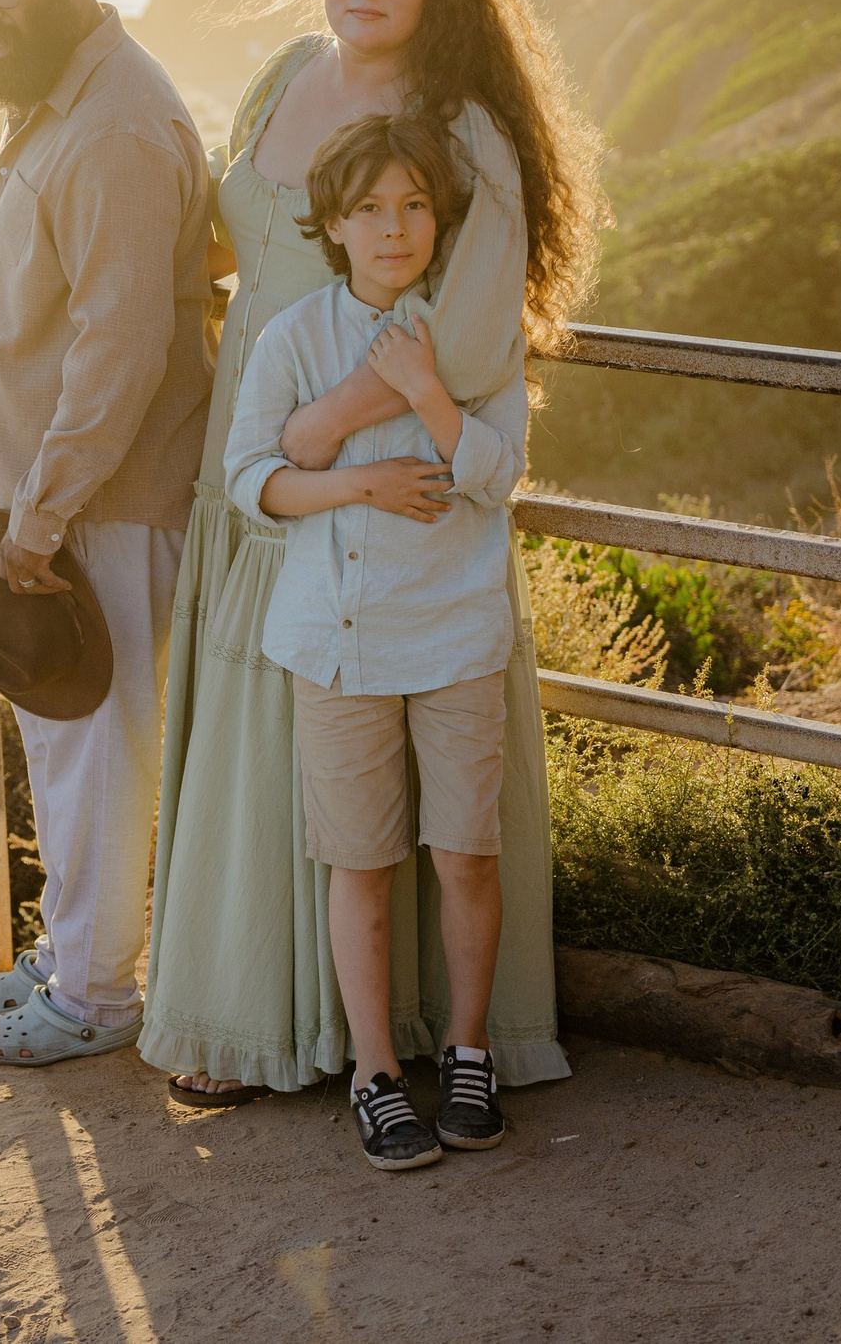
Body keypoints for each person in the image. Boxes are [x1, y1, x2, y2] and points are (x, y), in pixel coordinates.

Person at [140, 0, 602, 1106]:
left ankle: (406, 1049)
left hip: (373, 482)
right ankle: (243, 1020)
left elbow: (468, 331)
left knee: (386, 767)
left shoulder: (463, 130)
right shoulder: (284, 76)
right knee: (263, 746)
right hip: (257, 463)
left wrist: (323, 423)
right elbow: (228, 249)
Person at [0, 0, 215, 1066]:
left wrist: (40, 518)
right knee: (64, 734)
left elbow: (121, 347)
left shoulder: (113, 126)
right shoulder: (65, 100)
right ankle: (73, 953)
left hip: (98, 506)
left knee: (101, 749)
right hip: (47, 508)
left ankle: (96, 996)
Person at [226, 114, 519, 1170]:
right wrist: (361, 477)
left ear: (437, 221)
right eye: (369, 210)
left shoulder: (474, 330)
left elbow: (498, 473)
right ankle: (374, 1075)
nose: (393, 228)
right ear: (334, 227)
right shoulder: (292, 337)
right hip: (335, 641)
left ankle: (470, 1051)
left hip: (455, 633)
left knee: (466, 856)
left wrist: (429, 394)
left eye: (413, 206)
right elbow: (250, 478)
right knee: (361, 861)